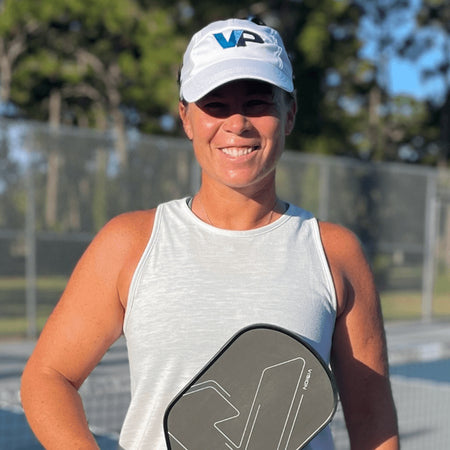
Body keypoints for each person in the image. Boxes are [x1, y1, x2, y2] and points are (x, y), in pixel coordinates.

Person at [21, 18, 399, 449]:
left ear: (289, 114)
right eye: (215, 104)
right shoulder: (129, 242)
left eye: (258, 102)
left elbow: (373, 422)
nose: (237, 123)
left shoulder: (335, 252)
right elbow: (47, 377)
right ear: (186, 117)